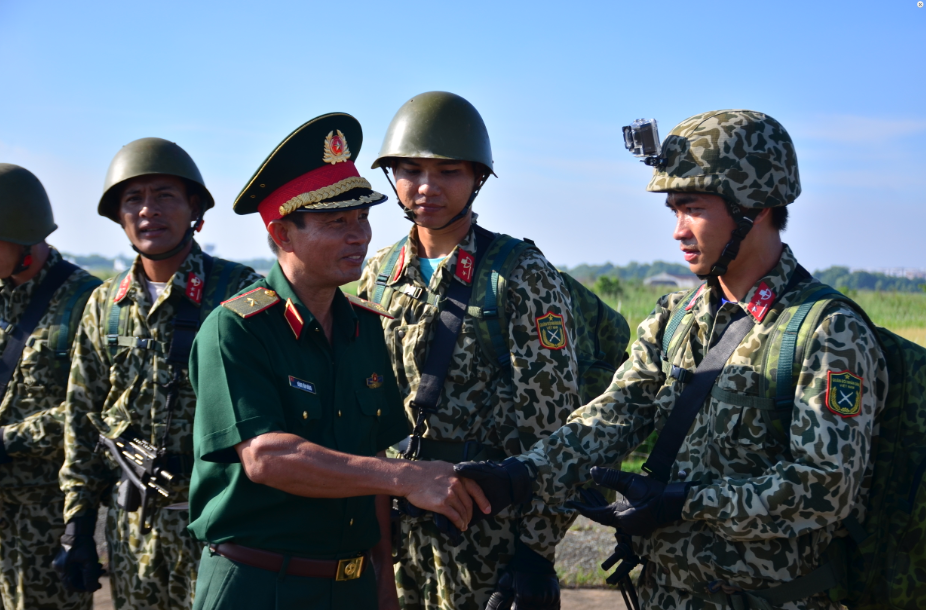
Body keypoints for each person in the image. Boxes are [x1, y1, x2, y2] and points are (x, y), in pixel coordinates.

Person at [456, 110, 887, 610]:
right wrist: (522, 472)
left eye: (693, 209)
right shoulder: (676, 318)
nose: (679, 231)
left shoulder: (826, 331)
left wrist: (684, 504)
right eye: (673, 210)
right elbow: (614, 416)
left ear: (757, 206)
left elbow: (824, 487)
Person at [187, 112, 489, 610]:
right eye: (336, 224)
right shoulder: (237, 327)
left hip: (351, 586)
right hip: (261, 584)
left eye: (363, 218)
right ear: (283, 234)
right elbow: (267, 458)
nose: (360, 237)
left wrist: (384, 588)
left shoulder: (364, 325)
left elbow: (369, 462)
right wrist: (406, 477)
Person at [357, 91, 582, 610]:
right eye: (410, 170)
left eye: (449, 171)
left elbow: (553, 424)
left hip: (486, 531)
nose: (427, 187)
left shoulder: (520, 274)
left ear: (477, 177)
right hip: (398, 523)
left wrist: (535, 550)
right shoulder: (379, 273)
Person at [56, 138, 261, 609]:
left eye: (165, 195)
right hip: (133, 533)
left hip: (221, 527)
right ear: (119, 215)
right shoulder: (105, 304)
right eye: (134, 199)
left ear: (194, 207)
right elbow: (82, 417)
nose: (149, 210)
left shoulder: (239, 290)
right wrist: (78, 523)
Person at [0, 164, 100, 610]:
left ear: (23, 236)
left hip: (45, 519)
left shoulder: (87, 301)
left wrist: (10, 440)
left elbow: (97, 408)